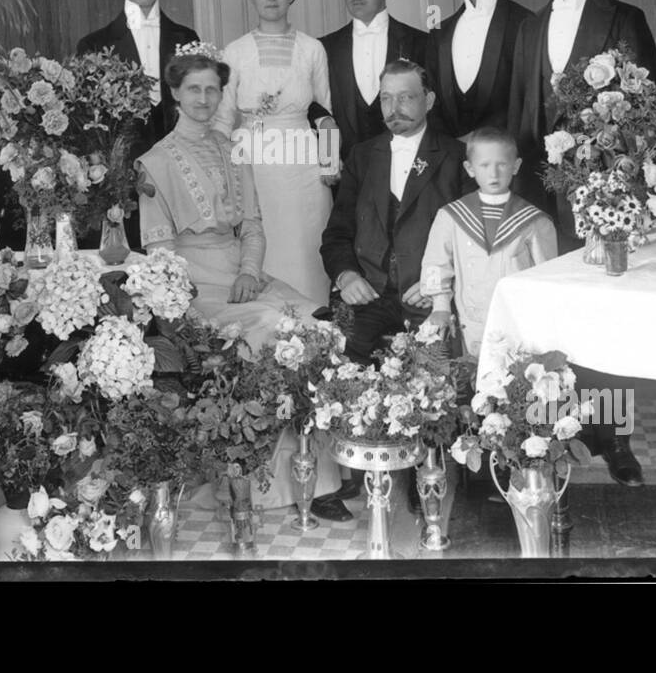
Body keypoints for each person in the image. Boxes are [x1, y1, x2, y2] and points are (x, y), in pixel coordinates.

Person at [135, 48, 341, 509]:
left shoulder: (233, 151)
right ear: (175, 94)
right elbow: (159, 252)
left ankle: (317, 479)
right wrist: (182, 300)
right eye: (194, 89)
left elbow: (252, 226)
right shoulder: (153, 162)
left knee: (313, 321)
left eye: (212, 89)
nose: (204, 98)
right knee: (270, 325)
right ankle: (254, 483)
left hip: (241, 270)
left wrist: (249, 271)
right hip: (190, 283)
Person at [507, 0, 656, 489]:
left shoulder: (622, 17)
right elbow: (518, 112)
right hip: (538, 193)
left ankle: (614, 440)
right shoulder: (529, 27)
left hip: (600, 191)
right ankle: (549, 430)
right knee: (549, 314)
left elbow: (652, 105)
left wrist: (620, 172)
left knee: (603, 314)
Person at [314, 60, 472, 520]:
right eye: (386, 97)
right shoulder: (363, 156)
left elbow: (473, 238)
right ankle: (351, 474)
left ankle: (429, 480)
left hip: (429, 299)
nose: (394, 107)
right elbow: (336, 236)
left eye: (405, 97)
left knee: (434, 369)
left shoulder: (453, 155)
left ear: (429, 100)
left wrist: (442, 284)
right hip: (372, 294)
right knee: (340, 358)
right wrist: (346, 277)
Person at [212, 0, 337, 308]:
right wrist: (222, 172)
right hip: (252, 162)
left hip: (304, 167)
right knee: (260, 246)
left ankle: (314, 329)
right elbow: (222, 117)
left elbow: (325, 111)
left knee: (305, 248)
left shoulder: (312, 50)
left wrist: (329, 163)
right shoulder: (234, 52)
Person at [76, 0, 199, 250]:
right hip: (122, 173)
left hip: (179, 166)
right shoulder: (93, 45)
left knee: (180, 254)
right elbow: (89, 120)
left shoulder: (187, 37)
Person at [420, 127, 557, 364]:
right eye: (484, 165)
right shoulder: (451, 216)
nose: (493, 173)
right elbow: (436, 262)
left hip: (518, 321)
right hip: (470, 321)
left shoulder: (534, 221)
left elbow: (547, 278)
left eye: (502, 164)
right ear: (470, 169)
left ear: (516, 166)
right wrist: (440, 305)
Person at [424, 0, 533, 140]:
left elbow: (528, 100)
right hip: (452, 161)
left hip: (508, 158)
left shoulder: (525, 23)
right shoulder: (439, 33)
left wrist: (481, 139)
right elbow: (431, 101)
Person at [319, 0, 428, 163]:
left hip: (408, 168)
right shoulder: (324, 47)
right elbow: (318, 109)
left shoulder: (421, 42)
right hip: (346, 173)